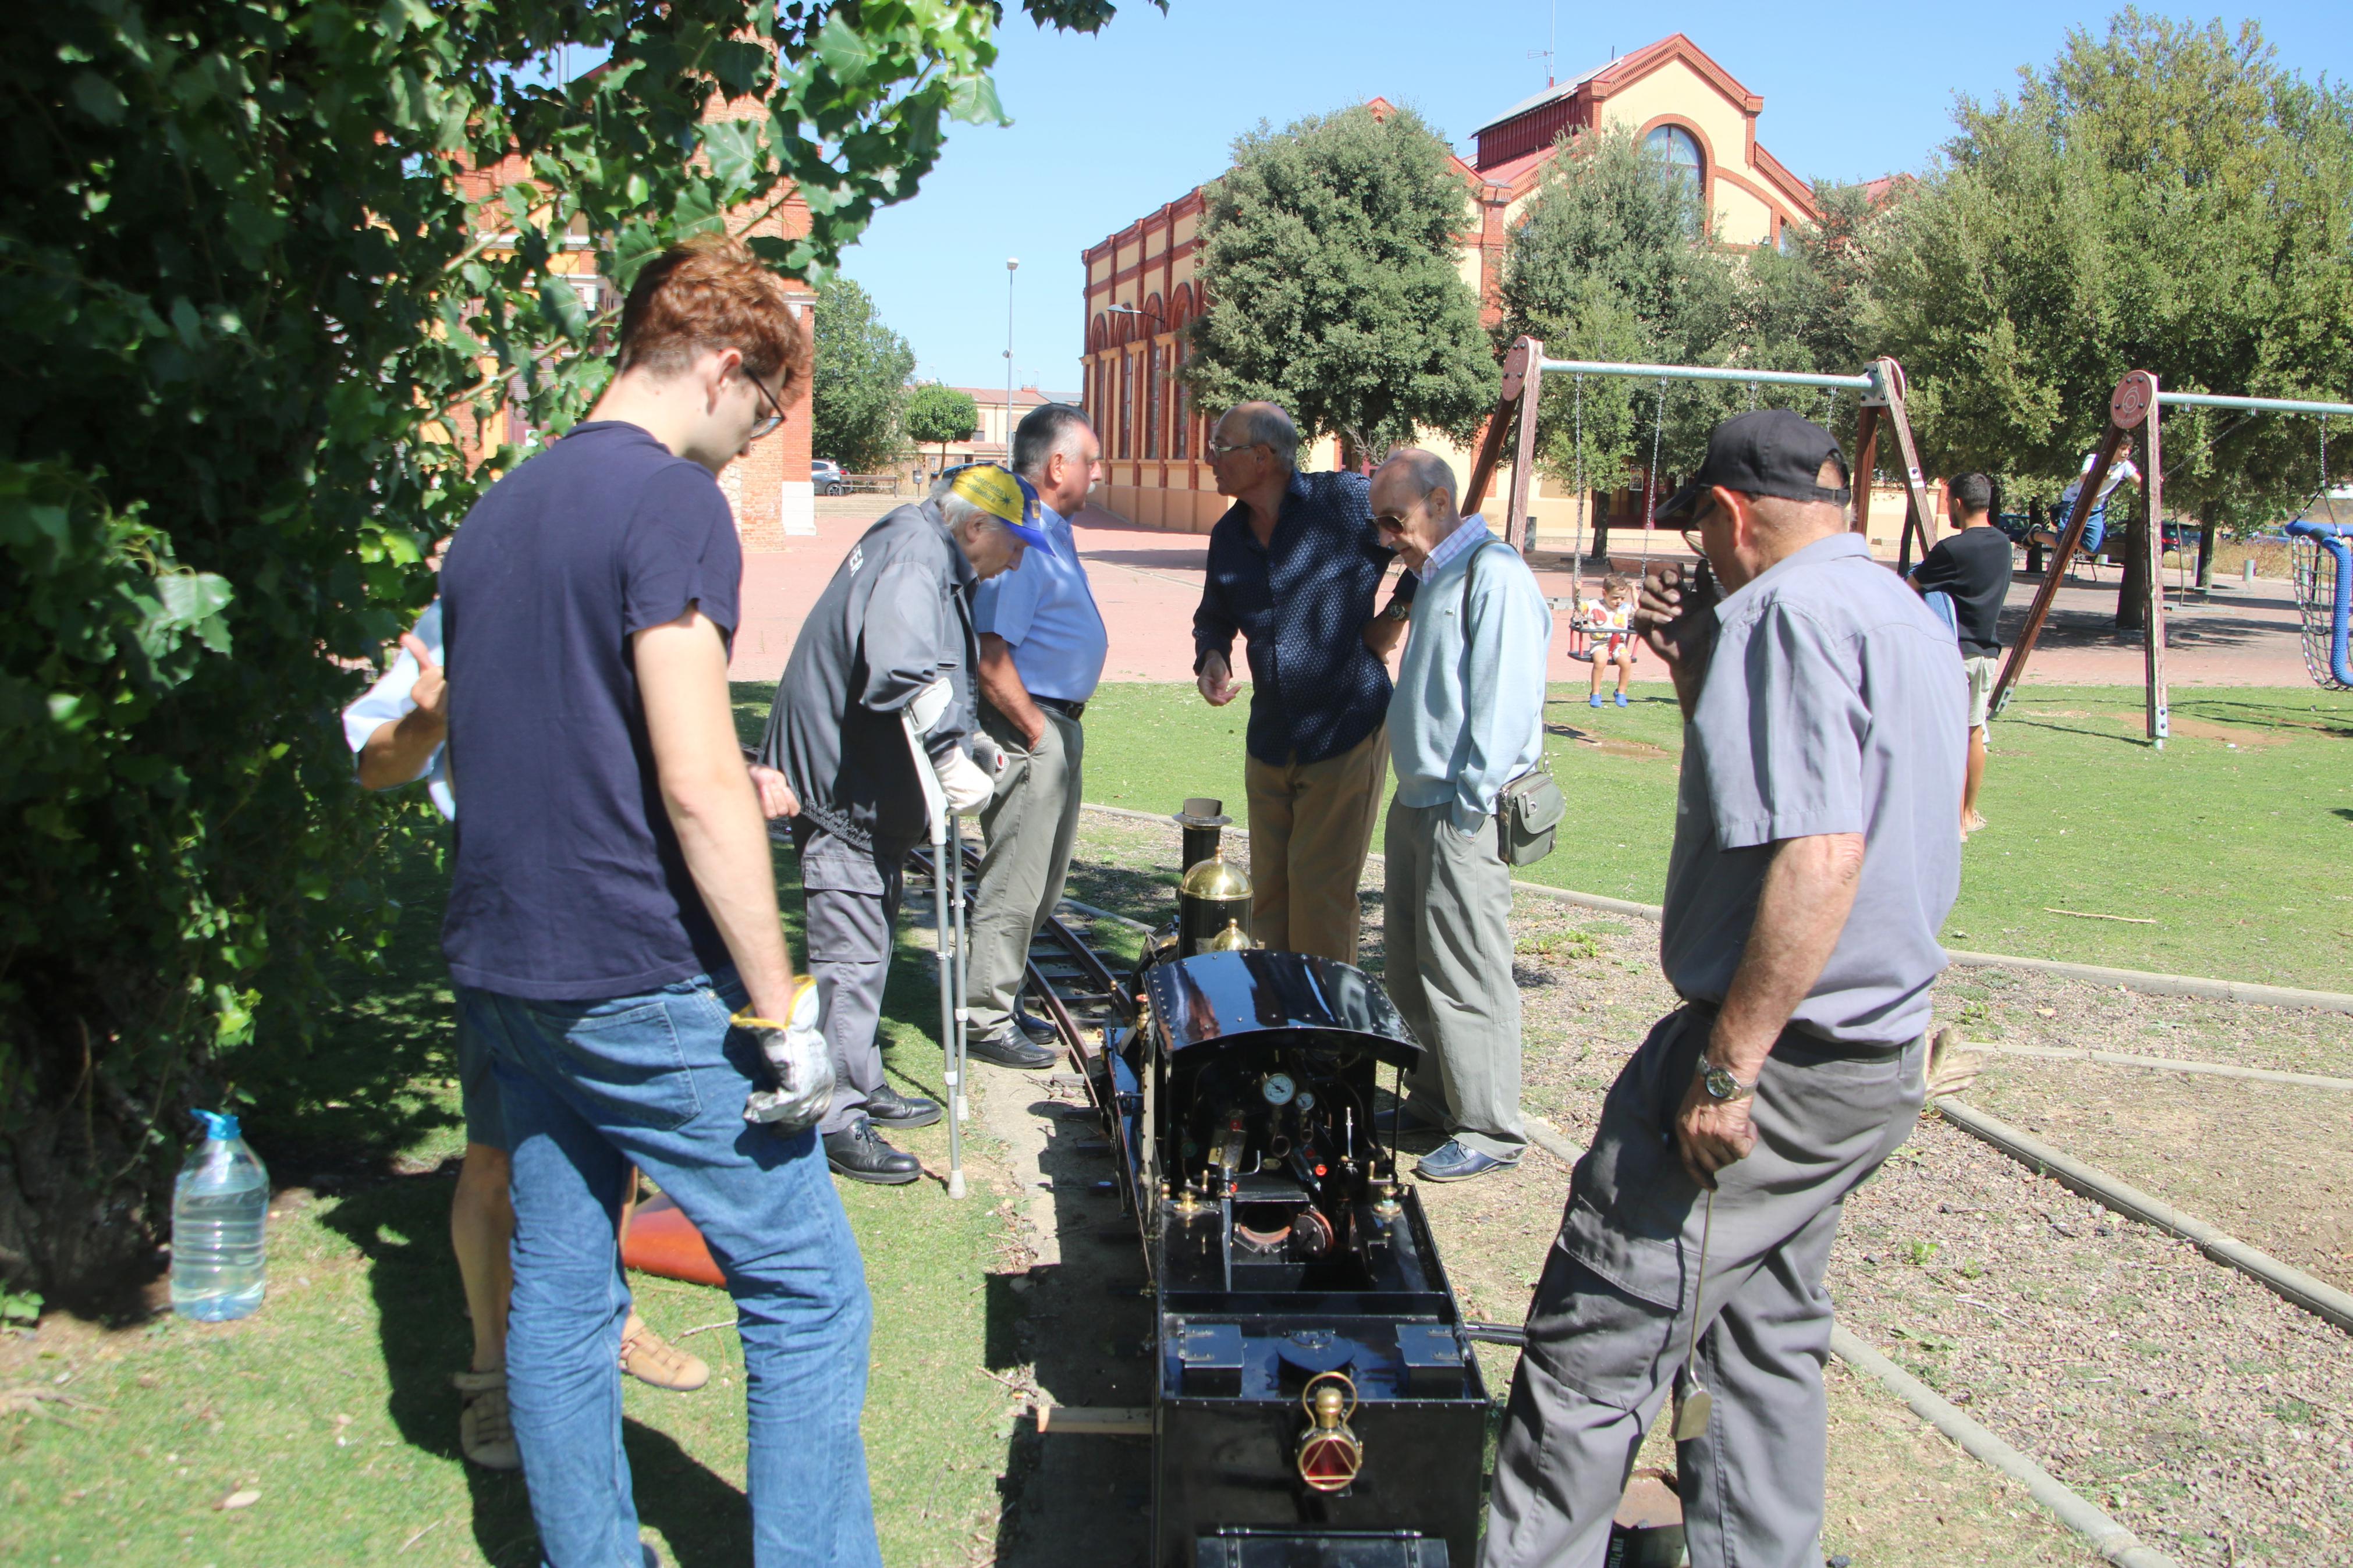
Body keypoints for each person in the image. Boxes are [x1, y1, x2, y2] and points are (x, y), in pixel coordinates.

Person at [438, 235, 879, 1568]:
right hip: (635, 978)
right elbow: (696, 787)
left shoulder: (497, 510)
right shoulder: (672, 502)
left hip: (509, 977)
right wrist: (775, 1007)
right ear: (730, 366)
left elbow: (541, 724)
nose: (752, 449)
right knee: (807, 1291)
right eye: (763, 416)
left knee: (564, 1296)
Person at [1481, 410, 1965, 1568]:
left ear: (1731, 513)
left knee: (1592, 1347)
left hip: (1773, 1064)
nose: (1702, 549)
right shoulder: (1895, 610)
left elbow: (1819, 852)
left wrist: (1723, 1067)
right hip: (1866, 1062)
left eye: (1700, 521)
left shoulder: (1783, 613)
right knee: (1760, 1340)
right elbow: (1789, 785)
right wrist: (1695, 658)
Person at [343, 606, 711, 1476]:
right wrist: (432, 716)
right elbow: (373, 763)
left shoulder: (634, 598)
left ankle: (610, 1318)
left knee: (617, 1140)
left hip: (623, 915)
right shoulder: (465, 608)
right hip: (508, 918)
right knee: (495, 1154)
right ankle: (492, 1372)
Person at [758, 463, 1048, 1182]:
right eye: (1012, 544)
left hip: (857, 789)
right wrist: (950, 756)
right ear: (976, 527)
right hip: (840, 792)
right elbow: (902, 666)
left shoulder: (919, 543)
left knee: (871, 936)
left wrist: (963, 735)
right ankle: (836, 1117)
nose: (1015, 560)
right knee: (851, 955)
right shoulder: (920, 557)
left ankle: (860, 1077)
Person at [1370, 450, 1550, 1183]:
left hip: (1459, 806)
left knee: (1466, 967)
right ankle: (1435, 1100)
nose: (1387, 537)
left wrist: (1470, 804)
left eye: (1395, 519)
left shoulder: (1494, 573)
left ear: (1439, 502)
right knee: (1412, 966)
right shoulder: (1438, 572)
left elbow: (1503, 702)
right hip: (1418, 799)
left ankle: (1487, 1125)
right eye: (1379, 522)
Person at [1192, 402, 1417, 962]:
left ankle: (1325, 1042)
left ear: (1262, 457)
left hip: (1345, 729)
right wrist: (1212, 657)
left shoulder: (1341, 501)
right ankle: (1278, 1025)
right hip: (1270, 739)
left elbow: (1424, 541)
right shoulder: (1228, 534)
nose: (1210, 459)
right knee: (1267, 899)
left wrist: (1391, 621)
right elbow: (1213, 615)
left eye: (1221, 447)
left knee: (1321, 900)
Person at [964, 406, 1108, 1067]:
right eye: (1090, 461)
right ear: (1057, 467)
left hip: (1054, 723)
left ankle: (1005, 993)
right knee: (1016, 878)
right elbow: (991, 653)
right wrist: (1034, 731)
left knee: (1041, 882)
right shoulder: (1019, 537)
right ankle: (984, 1017)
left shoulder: (1051, 531)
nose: (1097, 474)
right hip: (1033, 724)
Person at [1909, 472, 2010, 835]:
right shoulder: (2004, 545)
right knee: (1973, 732)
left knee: (1940, 733)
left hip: (1951, 654)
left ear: (1957, 504)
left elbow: (1911, 589)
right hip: (1988, 653)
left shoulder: (1952, 549)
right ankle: (1966, 816)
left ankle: (1938, 815)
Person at [1584, 574, 1637, 709]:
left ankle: (1621, 692)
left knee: (1626, 662)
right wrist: (1577, 590)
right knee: (1601, 662)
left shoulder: (1624, 608)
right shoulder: (1594, 605)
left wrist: (1634, 593)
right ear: (1604, 593)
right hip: (1600, 643)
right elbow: (1579, 605)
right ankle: (1596, 693)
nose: (1618, 601)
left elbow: (1637, 611)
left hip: (1618, 644)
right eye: (1615, 598)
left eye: (1622, 598)